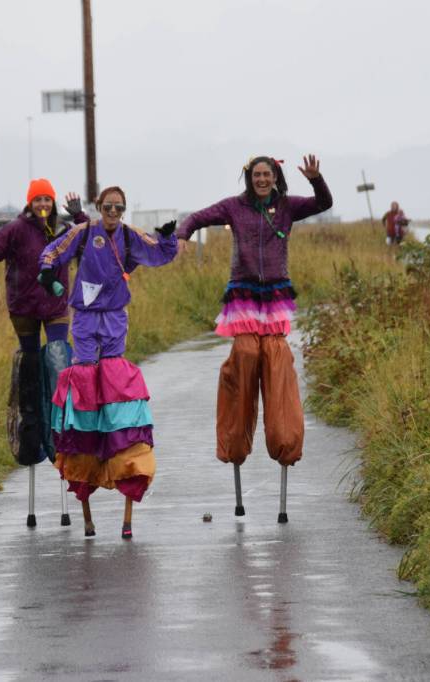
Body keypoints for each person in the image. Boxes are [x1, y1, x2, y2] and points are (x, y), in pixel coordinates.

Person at [176, 154, 332, 522]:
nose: (262, 180)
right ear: (249, 178)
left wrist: (316, 179)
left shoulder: (287, 208)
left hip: (275, 295)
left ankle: (285, 441)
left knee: (276, 360)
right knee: (246, 352)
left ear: (276, 177)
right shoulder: (234, 207)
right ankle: (233, 441)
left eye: (268, 175)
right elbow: (197, 218)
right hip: (244, 295)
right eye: (257, 175)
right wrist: (183, 235)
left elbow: (324, 204)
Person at [38, 185, 178, 539]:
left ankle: (127, 475)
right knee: (84, 390)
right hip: (85, 318)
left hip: (115, 317)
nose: (114, 212)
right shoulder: (84, 232)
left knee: (117, 391)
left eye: (120, 207)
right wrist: (46, 273)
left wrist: (169, 237)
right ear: (99, 207)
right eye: (109, 207)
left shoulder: (130, 237)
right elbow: (53, 251)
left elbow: (160, 254)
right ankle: (84, 483)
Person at [0, 178, 88, 527]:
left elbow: (94, 241)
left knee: (57, 362)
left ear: (53, 202)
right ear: (29, 202)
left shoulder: (65, 229)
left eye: (47, 200)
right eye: (37, 200)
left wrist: (79, 213)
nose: (42, 205)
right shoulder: (16, 230)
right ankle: (32, 433)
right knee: (32, 366)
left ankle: (60, 436)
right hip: (22, 307)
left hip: (55, 307)